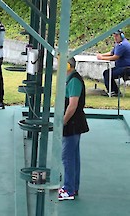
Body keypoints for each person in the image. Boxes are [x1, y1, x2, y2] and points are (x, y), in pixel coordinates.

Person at [58, 57, 89, 201]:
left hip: (73, 123)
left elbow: (73, 105)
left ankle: (69, 189)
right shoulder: (70, 79)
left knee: (68, 157)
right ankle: (72, 187)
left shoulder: (74, 80)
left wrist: (62, 122)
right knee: (73, 156)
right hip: (74, 123)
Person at [96, 29, 130, 96]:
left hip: (126, 68)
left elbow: (115, 57)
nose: (115, 38)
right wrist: (101, 55)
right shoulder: (119, 44)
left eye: (117, 36)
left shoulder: (123, 45)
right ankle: (115, 91)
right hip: (122, 67)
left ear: (122, 36)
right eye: (114, 36)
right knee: (108, 73)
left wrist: (102, 58)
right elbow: (111, 53)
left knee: (107, 73)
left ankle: (113, 92)